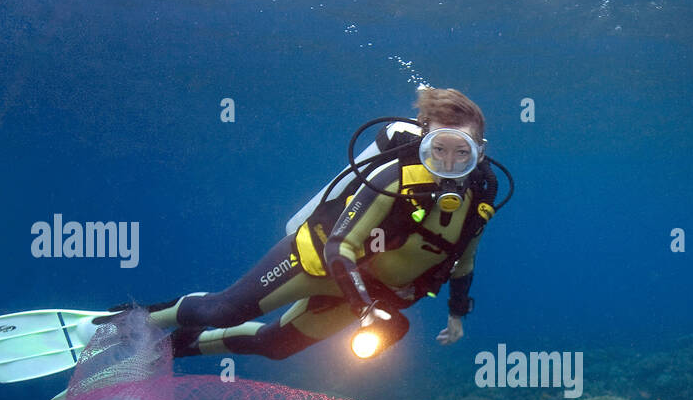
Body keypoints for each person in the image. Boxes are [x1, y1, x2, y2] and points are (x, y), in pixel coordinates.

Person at [114, 87, 501, 361]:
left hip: (367, 294)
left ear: (479, 152)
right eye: (439, 149)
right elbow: (339, 247)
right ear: (423, 143)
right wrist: (364, 308)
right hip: (316, 260)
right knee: (224, 310)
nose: (449, 164)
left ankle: (177, 348)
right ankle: (133, 320)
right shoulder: (393, 179)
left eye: (462, 151)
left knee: (275, 346)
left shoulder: (479, 202)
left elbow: (462, 264)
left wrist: (456, 316)